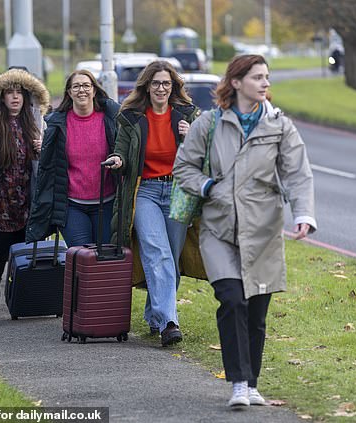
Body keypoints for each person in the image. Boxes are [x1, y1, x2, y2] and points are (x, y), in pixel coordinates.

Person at [173, 54, 316, 407]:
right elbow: (183, 167)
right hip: (218, 229)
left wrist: (304, 215)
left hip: (264, 232)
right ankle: (238, 382)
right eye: (257, 77)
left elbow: (298, 173)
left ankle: (252, 382)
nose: (265, 83)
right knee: (232, 300)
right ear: (236, 82)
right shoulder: (209, 124)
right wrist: (207, 187)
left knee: (256, 311)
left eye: (267, 77)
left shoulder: (280, 125)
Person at [106, 60, 198, 347]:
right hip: (144, 191)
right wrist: (118, 161)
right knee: (156, 252)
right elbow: (120, 150)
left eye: (166, 84)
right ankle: (169, 322)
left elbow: (205, 154)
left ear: (173, 88)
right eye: (156, 83)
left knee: (171, 254)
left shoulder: (187, 116)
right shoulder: (131, 117)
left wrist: (190, 136)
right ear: (147, 86)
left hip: (178, 192)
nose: (161, 88)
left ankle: (155, 315)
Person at [0, 68, 49, 306]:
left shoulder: (36, 122)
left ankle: (17, 288)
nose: (15, 97)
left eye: (19, 92)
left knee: (24, 241)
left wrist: (42, 147)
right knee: (1, 242)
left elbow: (50, 158)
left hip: (28, 190)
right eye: (10, 92)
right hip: (2, 192)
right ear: (1, 96)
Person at [26, 70, 120, 247]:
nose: (81, 90)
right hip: (72, 205)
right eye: (76, 86)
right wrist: (44, 148)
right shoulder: (58, 123)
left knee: (105, 258)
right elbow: (50, 164)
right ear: (69, 92)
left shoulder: (110, 119)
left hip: (106, 203)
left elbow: (123, 149)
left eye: (86, 85)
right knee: (81, 256)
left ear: (94, 90)